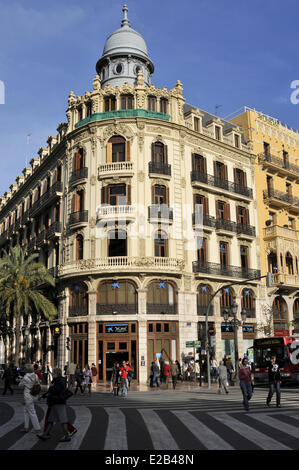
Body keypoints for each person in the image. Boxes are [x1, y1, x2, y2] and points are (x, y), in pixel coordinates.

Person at [37, 367, 72, 442]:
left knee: (63, 420)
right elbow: (51, 392)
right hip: (55, 402)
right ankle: (45, 434)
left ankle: (67, 436)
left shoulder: (59, 381)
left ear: (56, 373)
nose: (52, 373)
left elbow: (56, 391)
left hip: (59, 402)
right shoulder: (57, 380)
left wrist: (51, 388)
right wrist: (43, 396)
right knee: (51, 419)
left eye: (53, 372)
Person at [18, 363, 41, 434]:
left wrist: (20, 380)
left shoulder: (25, 377)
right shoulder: (36, 375)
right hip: (34, 395)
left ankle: (37, 428)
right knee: (26, 411)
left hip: (28, 396)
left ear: (26, 370)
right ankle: (26, 427)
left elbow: (20, 385)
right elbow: (38, 383)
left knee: (32, 412)